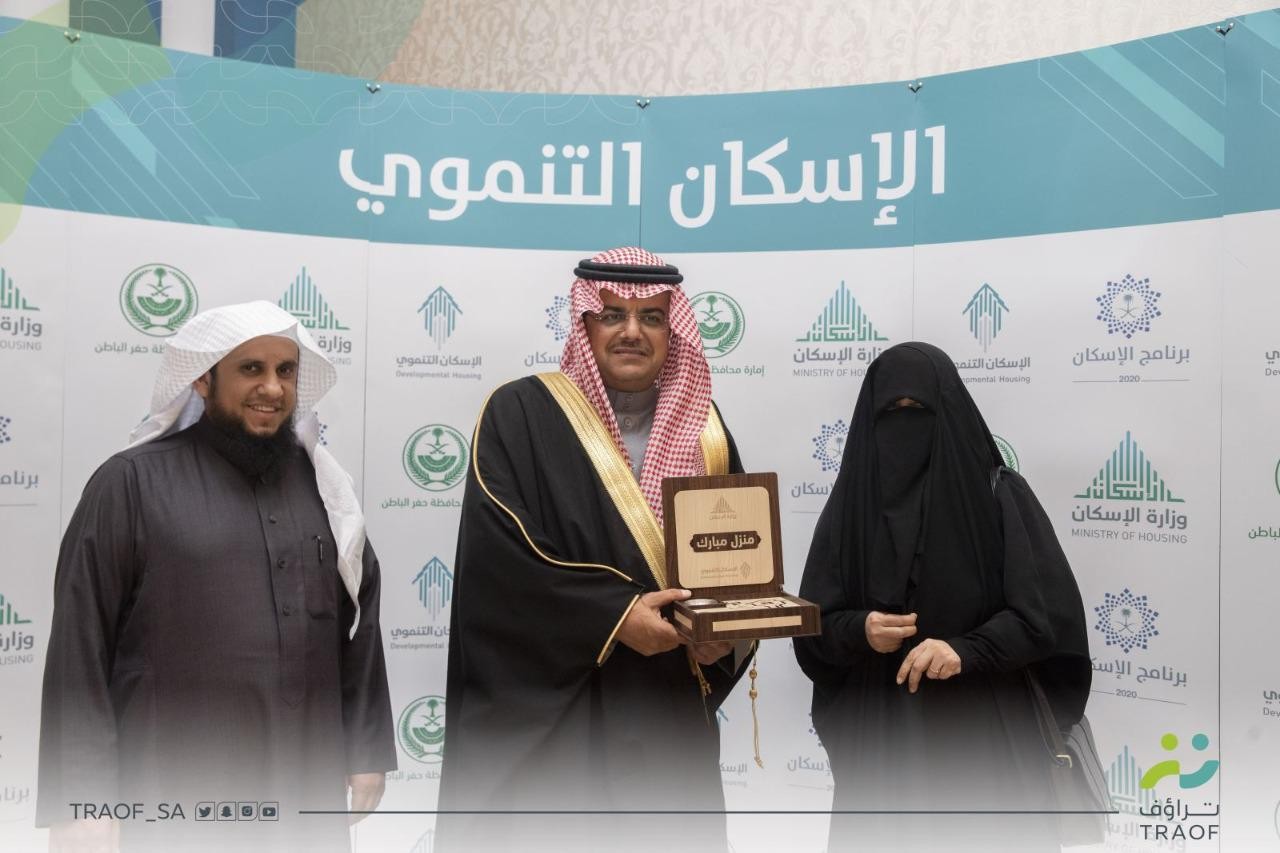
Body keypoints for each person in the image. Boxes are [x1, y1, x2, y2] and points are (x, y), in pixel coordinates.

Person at [37, 301, 395, 852]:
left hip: (305, 778)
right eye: (251, 369)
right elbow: (79, 646)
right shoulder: (130, 482)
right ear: (203, 379)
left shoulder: (325, 488)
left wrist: (366, 748)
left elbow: (358, 618)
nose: (272, 388)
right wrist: (80, 798)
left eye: (285, 370)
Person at [437, 247, 752, 853]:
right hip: (556, 727)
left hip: (665, 720)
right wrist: (614, 615)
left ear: (674, 330)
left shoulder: (705, 428)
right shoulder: (520, 413)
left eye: (652, 317)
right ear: (584, 324)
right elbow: (498, 562)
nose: (632, 331)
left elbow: (732, 557)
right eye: (612, 314)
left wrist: (724, 635)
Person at [793, 342, 1092, 852]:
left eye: (920, 410)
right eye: (891, 411)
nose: (904, 425)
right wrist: (860, 630)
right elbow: (813, 630)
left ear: (950, 413)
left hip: (984, 746)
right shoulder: (849, 512)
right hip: (881, 752)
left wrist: (965, 650)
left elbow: (1042, 619)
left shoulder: (999, 496)